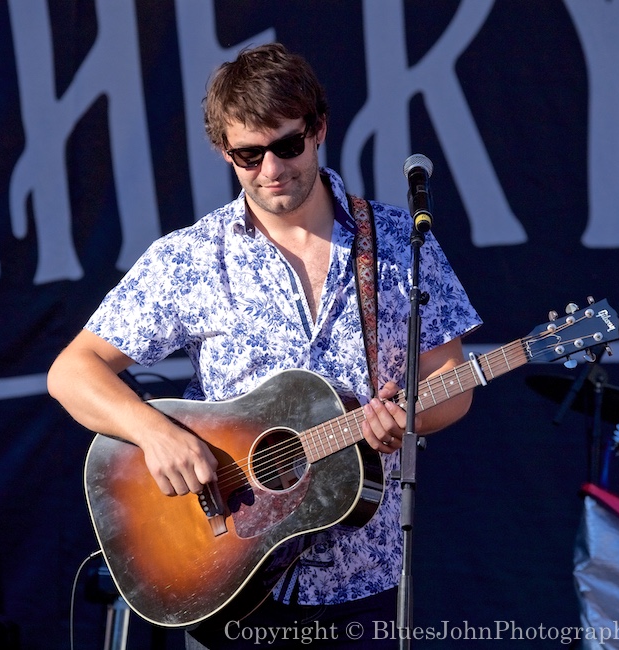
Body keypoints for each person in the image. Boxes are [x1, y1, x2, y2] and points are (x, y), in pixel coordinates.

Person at [47, 42, 482, 648]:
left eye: (286, 145)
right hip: (230, 574)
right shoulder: (192, 257)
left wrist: (405, 420)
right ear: (225, 152)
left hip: (362, 580)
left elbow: (449, 381)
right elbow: (72, 371)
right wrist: (156, 433)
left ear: (319, 129)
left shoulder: (397, 243)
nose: (271, 169)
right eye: (248, 155)